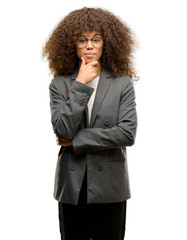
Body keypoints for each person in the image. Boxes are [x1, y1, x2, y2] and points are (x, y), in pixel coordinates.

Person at [43, 7, 137, 240]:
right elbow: (62, 129)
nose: (89, 46)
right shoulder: (60, 84)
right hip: (72, 186)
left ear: (107, 43)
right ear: (71, 44)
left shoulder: (122, 83)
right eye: (82, 40)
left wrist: (77, 140)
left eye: (96, 39)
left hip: (111, 186)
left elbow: (127, 133)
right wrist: (81, 84)